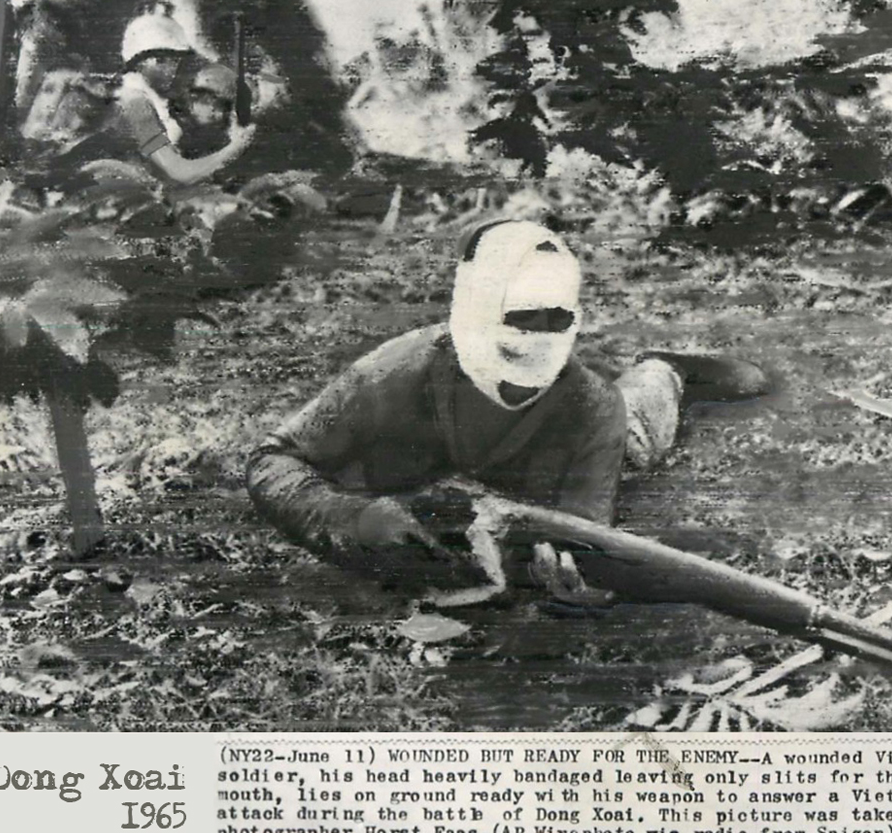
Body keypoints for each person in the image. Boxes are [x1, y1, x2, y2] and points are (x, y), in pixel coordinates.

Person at [246, 219, 768, 602]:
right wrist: (354, 518)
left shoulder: (590, 405)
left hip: (556, 460)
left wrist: (566, 571)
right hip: (438, 477)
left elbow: (582, 528)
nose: (536, 337)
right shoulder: (396, 371)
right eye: (521, 316)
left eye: (555, 319)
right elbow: (273, 462)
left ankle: (665, 369)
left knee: (636, 435)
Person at [57, 14, 254, 187]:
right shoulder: (134, 103)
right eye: (171, 61)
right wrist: (236, 147)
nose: (175, 70)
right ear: (151, 60)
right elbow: (178, 172)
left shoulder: (138, 96)